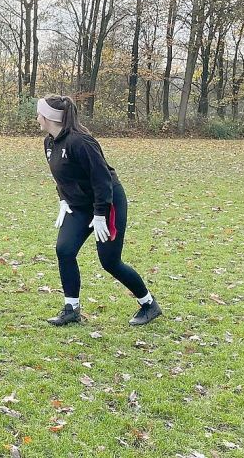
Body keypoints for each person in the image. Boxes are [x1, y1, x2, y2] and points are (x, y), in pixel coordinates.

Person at [37, 94, 162, 327]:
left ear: (49, 117)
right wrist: (63, 200)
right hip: (78, 205)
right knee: (64, 250)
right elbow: (62, 177)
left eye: (39, 114)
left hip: (107, 202)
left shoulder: (81, 142)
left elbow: (102, 180)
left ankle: (149, 304)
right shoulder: (49, 142)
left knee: (110, 261)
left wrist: (101, 213)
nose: (37, 118)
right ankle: (71, 308)